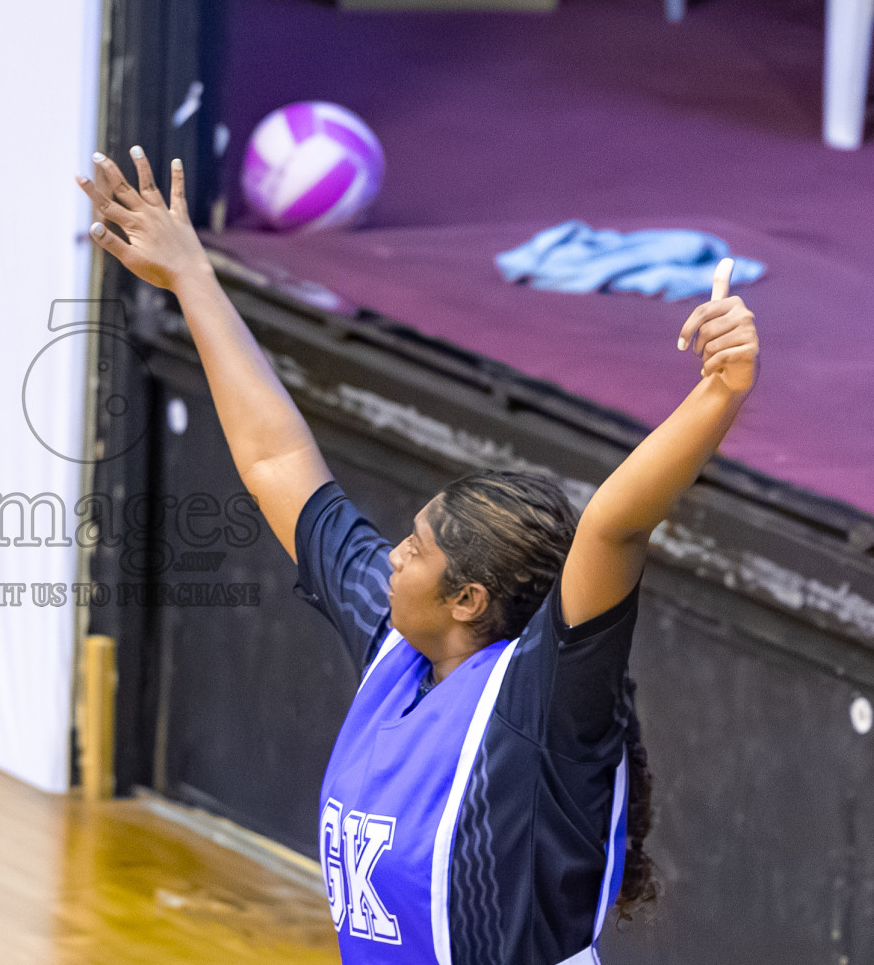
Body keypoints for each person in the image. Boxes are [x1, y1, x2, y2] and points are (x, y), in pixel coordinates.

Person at [77, 148, 760, 964]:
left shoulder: (541, 704)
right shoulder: (400, 649)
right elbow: (278, 467)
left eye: (416, 546)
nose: (391, 555)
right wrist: (192, 277)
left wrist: (721, 390)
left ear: (467, 599)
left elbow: (610, 528)